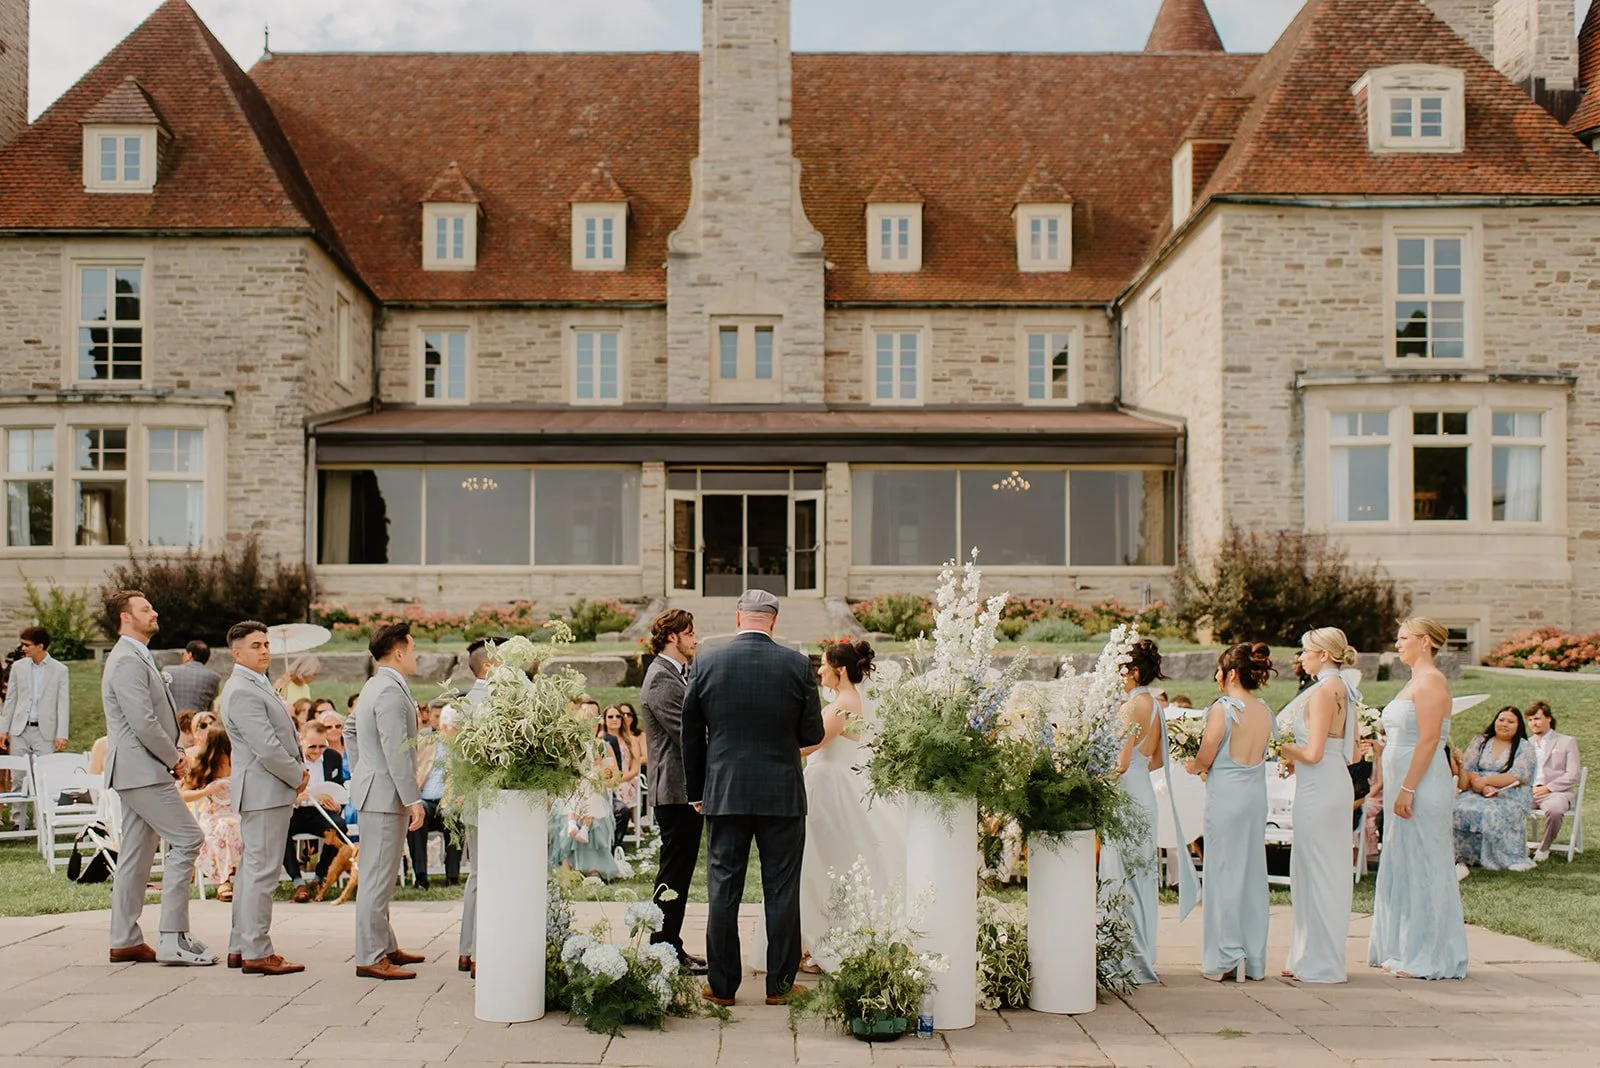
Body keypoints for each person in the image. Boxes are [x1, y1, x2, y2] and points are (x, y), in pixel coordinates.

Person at [683, 589, 824, 1007]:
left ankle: (723, 987)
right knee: (782, 889)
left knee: (723, 888)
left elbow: (690, 733)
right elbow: (813, 734)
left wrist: (696, 790)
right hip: (781, 791)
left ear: (738, 618)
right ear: (773, 622)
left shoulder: (707, 663)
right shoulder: (797, 664)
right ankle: (779, 986)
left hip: (724, 792)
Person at [100, 590, 215, 967]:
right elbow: (143, 721)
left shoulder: (138, 656)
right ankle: (172, 936)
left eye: (152, 606)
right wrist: (175, 756)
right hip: (142, 768)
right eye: (145, 609)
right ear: (124, 618)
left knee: (135, 854)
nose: (155, 612)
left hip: (140, 769)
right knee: (188, 839)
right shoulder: (126, 661)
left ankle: (124, 939)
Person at [1366, 617, 1468, 980]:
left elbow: (1428, 740)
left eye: (1403, 638)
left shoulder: (1432, 682)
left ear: (1425, 642)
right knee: (1406, 863)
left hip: (1421, 787)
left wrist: (1408, 789)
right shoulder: (1414, 681)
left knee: (1425, 865)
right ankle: (1403, 946)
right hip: (1403, 782)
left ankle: (1429, 954)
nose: (1397, 644)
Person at [796, 639, 907, 973]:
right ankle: (817, 939)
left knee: (826, 864)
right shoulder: (844, 700)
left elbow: (809, 744)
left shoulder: (844, 705)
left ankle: (825, 942)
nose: (819, 670)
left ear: (840, 670)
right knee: (824, 865)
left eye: (825, 665)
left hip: (831, 791)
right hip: (830, 784)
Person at [1100, 639, 1197, 985]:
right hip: (1144, 797)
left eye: (1119, 670)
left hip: (1126, 796)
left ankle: (1120, 959)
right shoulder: (1155, 706)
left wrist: (1090, 775)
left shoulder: (1130, 707)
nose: (1115, 677)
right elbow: (1154, 760)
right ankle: (1140, 957)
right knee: (1139, 877)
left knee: (1118, 876)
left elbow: (1121, 763)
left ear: (1134, 672)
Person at [220, 619, 307, 976]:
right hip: (264, 789)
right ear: (236, 652)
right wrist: (296, 774)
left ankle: (240, 946)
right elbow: (266, 747)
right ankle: (256, 948)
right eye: (256, 645)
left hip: (265, 789)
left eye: (266, 644)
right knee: (262, 873)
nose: (265, 650)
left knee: (252, 872)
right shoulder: (242, 689)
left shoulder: (258, 684)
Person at [1276, 628, 1361, 983]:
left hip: (1320, 790)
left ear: (1324, 655)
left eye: (1306, 651)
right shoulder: (1345, 688)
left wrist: (1280, 747)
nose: (1301, 658)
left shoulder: (1326, 691)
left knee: (1319, 872)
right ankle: (1308, 955)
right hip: (1329, 782)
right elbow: (1351, 752)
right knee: (1318, 870)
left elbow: (1313, 752)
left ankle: (1321, 961)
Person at [345, 621, 428, 980]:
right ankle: (370, 956)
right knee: (378, 878)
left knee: (383, 876)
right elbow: (396, 752)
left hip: (375, 789)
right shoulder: (390, 692)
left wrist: (361, 768)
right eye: (412, 647)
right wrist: (413, 799)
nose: (416, 654)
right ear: (399, 651)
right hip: (384, 795)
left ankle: (386, 944)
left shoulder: (375, 685)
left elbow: (350, 730)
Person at [1188, 642, 1274, 982]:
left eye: (1219, 671)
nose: (1215, 676)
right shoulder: (1265, 710)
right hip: (1255, 798)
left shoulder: (1224, 709)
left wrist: (1191, 765)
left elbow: (1207, 755)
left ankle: (1224, 957)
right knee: (1252, 874)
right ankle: (1252, 959)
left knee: (1224, 872)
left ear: (1232, 674)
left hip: (1226, 799)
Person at [639, 610, 705, 974]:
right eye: (689, 634)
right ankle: (662, 948)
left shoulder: (677, 674)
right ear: (671, 638)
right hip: (675, 791)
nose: (695, 640)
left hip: (681, 791)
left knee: (678, 872)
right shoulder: (662, 679)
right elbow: (688, 734)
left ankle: (671, 944)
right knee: (673, 874)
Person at [455, 636, 498, 977]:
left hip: (475, 799)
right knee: (489, 877)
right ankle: (482, 951)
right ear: (489, 665)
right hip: (495, 800)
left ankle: (466, 949)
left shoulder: (467, 702)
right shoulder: (490, 701)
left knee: (478, 876)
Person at [1452, 705, 1537, 876]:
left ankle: (1498, 857)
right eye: (1501, 720)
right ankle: (1463, 855)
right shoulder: (1480, 741)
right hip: (1477, 790)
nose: (1504, 724)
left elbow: (1516, 776)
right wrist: (1481, 786)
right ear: (1495, 721)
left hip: (1509, 793)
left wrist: (1486, 781)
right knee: (1455, 808)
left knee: (1489, 812)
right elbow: (1469, 769)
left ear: (1518, 725)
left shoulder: (1524, 747)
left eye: (1510, 721)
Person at [0, 626, 71, 829]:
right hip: (20, 729)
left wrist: (61, 734)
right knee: (17, 777)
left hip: (45, 731)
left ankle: (43, 822)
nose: (23, 648)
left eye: (27, 645)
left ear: (40, 646)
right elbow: (11, 699)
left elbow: (62, 703)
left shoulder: (59, 670)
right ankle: (18, 822)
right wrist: (3, 730)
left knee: (44, 777)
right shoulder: (18, 668)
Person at [282, 722, 350, 901]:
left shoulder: (333, 757)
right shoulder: (290, 759)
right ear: (301, 741)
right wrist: (294, 797)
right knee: (279, 830)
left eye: (322, 746)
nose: (318, 751)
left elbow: (339, 787)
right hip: (294, 811)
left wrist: (337, 804)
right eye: (313, 746)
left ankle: (320, 876)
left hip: (320, 812)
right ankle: (298, 882)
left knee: (340, 826)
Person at [179, 720, 242, 903]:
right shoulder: (204, 766)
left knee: (242, 827)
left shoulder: (238, 763)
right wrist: (206, 791)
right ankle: (224, 880)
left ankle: (241, 875)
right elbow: (182, 794)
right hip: (213, 815)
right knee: (225, 827)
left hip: (238, 813)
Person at [407, 699, 461, 889]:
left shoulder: (458, 742)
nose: (440, 721)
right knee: (415, 817)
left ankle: (452, 876)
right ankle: (421, 876)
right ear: (429, 717)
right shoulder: (421, 740)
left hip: (449, 801)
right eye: (436, 716)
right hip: (425, 800)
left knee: (454, 816)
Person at [1526, 701, 1581, 862]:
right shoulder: (1525, 744)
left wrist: (1548, 788)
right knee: (1506, 806)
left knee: (1556, 810)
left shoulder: (1566, 741)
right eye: (1529, 720)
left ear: (1549, 719)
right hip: (1528, 792)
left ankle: (1544, 847)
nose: (1533, 723)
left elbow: (1573, 774)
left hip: (1556, 793)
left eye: (1537, 718)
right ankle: (1518, 846)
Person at [597, 706, 640, 847]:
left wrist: (622, 778)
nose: (615, 719)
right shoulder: (600, 739)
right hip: (609, 780)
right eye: (610, 717)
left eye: (618, 716)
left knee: (625, 786)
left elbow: (636, 767)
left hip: (628, 778)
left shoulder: (631, 740)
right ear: (604, 720)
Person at [166, 641, 221, 716]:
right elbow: (211, 706)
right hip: (196, 722)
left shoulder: (168, 671)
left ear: (189, 655)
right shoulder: (214, 677)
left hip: (172, 721)